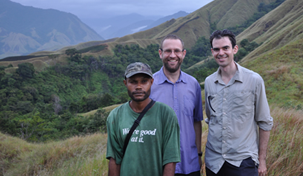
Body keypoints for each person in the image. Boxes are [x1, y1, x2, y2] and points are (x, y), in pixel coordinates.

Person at [204, 29, 273, 176]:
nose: (220, 53)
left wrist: (262, 160)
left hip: (243, 162)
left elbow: (265, 122)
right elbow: (211, 118)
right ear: (212, 51)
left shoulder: (254, 80)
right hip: (214, 162)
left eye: (225, 48)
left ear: (235, 49)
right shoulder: (209, 82)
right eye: (216, 49)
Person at [106, 62, 181, 176]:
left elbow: (170, 159)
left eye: (144, 81)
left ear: (151, 82)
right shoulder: (115, 116)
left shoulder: (166, 114)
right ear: (125, 83)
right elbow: (114, 159)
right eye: (133, 82)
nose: (139, 87)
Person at [150, 34, 203, 176]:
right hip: (159, 165)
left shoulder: (193, 85)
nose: (172, 55)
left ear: (183, 54)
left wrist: (198, 154)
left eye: (177, 51)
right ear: (160, 53)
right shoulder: (149, 85)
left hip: (190, 165)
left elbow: (196, 122)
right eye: (168, 51)